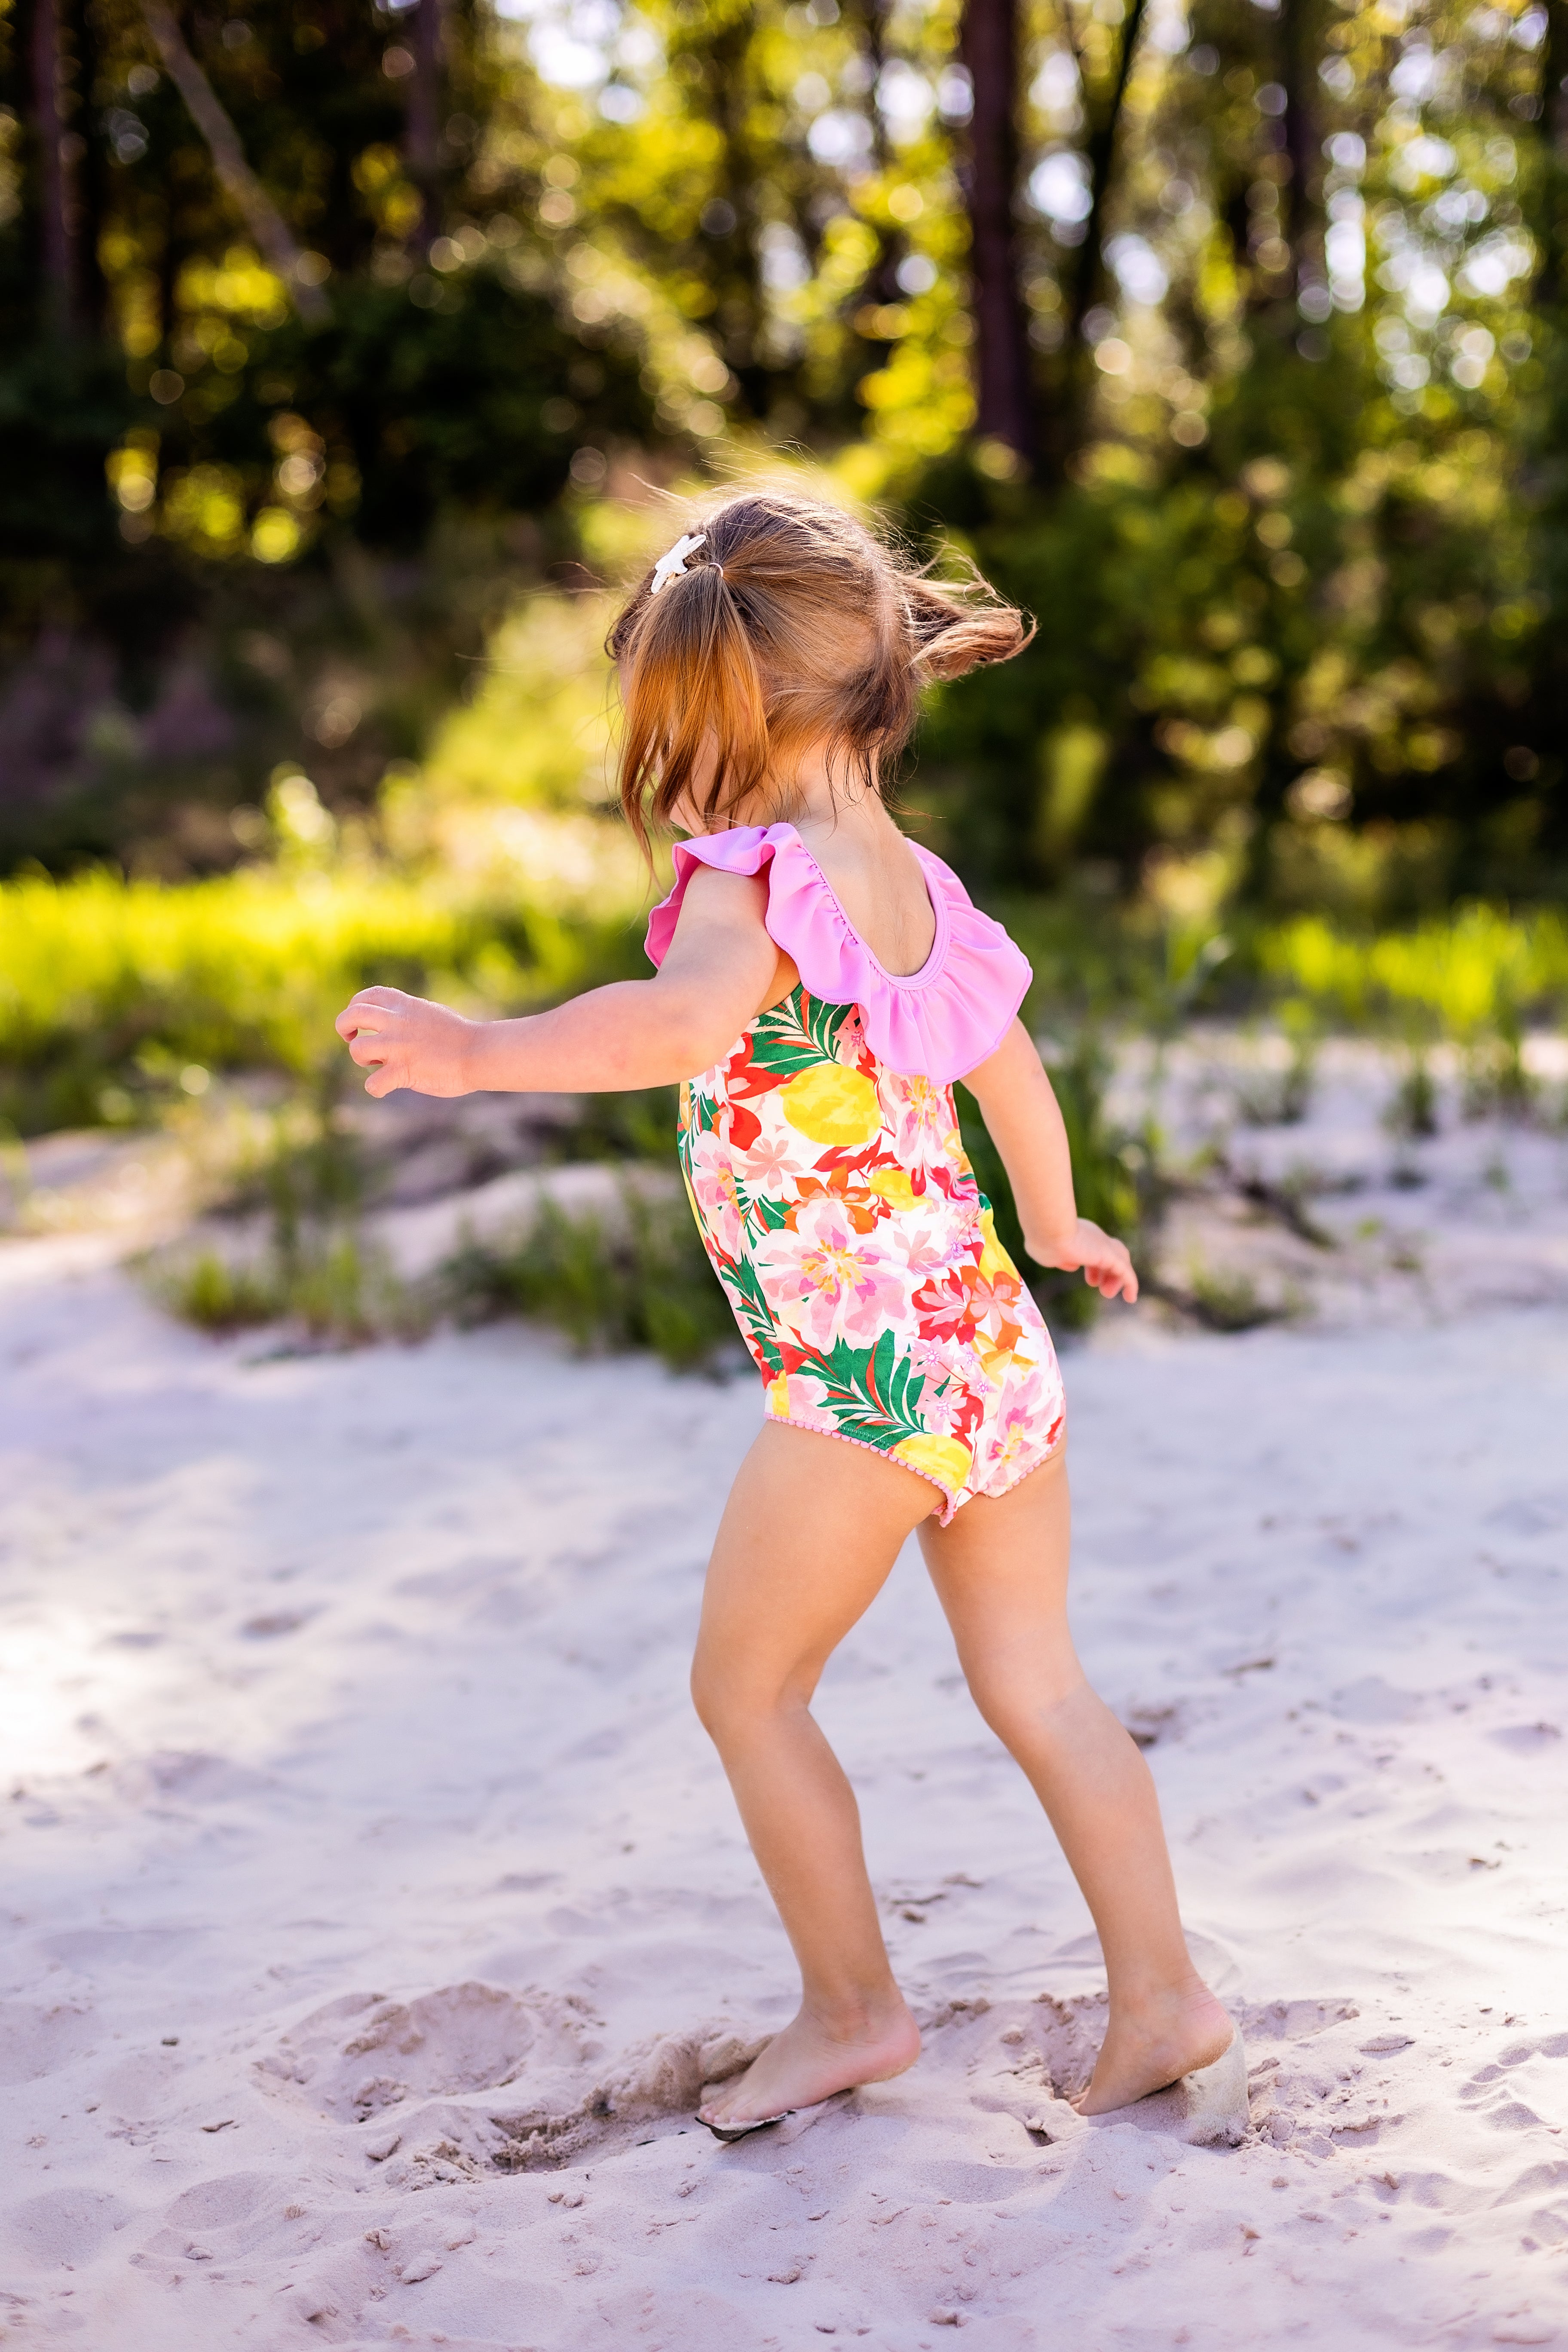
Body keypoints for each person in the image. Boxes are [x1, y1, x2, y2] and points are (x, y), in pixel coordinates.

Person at [334, 490, 1248, 2148]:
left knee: (747, 1692)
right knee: (1041, 1691)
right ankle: (1163, 2001)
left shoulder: (745, 875)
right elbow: (1009, 1065)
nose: (664, 780)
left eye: (669, 739)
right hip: (986, 1354)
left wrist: (475, 1048)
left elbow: (677, 1029)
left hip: (862, 1385)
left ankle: (852, 2012)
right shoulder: (911, 882)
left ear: (735, 726)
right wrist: (1055, 1219)